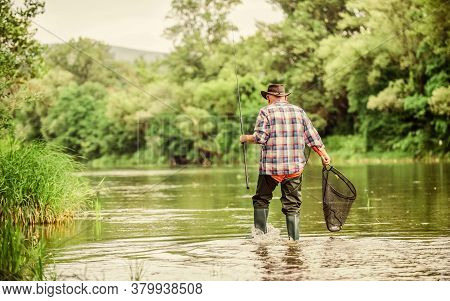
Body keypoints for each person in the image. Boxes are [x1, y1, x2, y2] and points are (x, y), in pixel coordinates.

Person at [240, 84, 330, 241]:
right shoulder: (299, 111)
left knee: (261, 200)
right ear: (285, 97)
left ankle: (260, 240)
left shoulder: (265, 111)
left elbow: (260, 138)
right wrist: (323, 154)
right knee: (292, 205)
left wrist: (245, 138)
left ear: (269, 97)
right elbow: (312, 137)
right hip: (294, 169)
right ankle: (293, 241)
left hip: (271, 169)